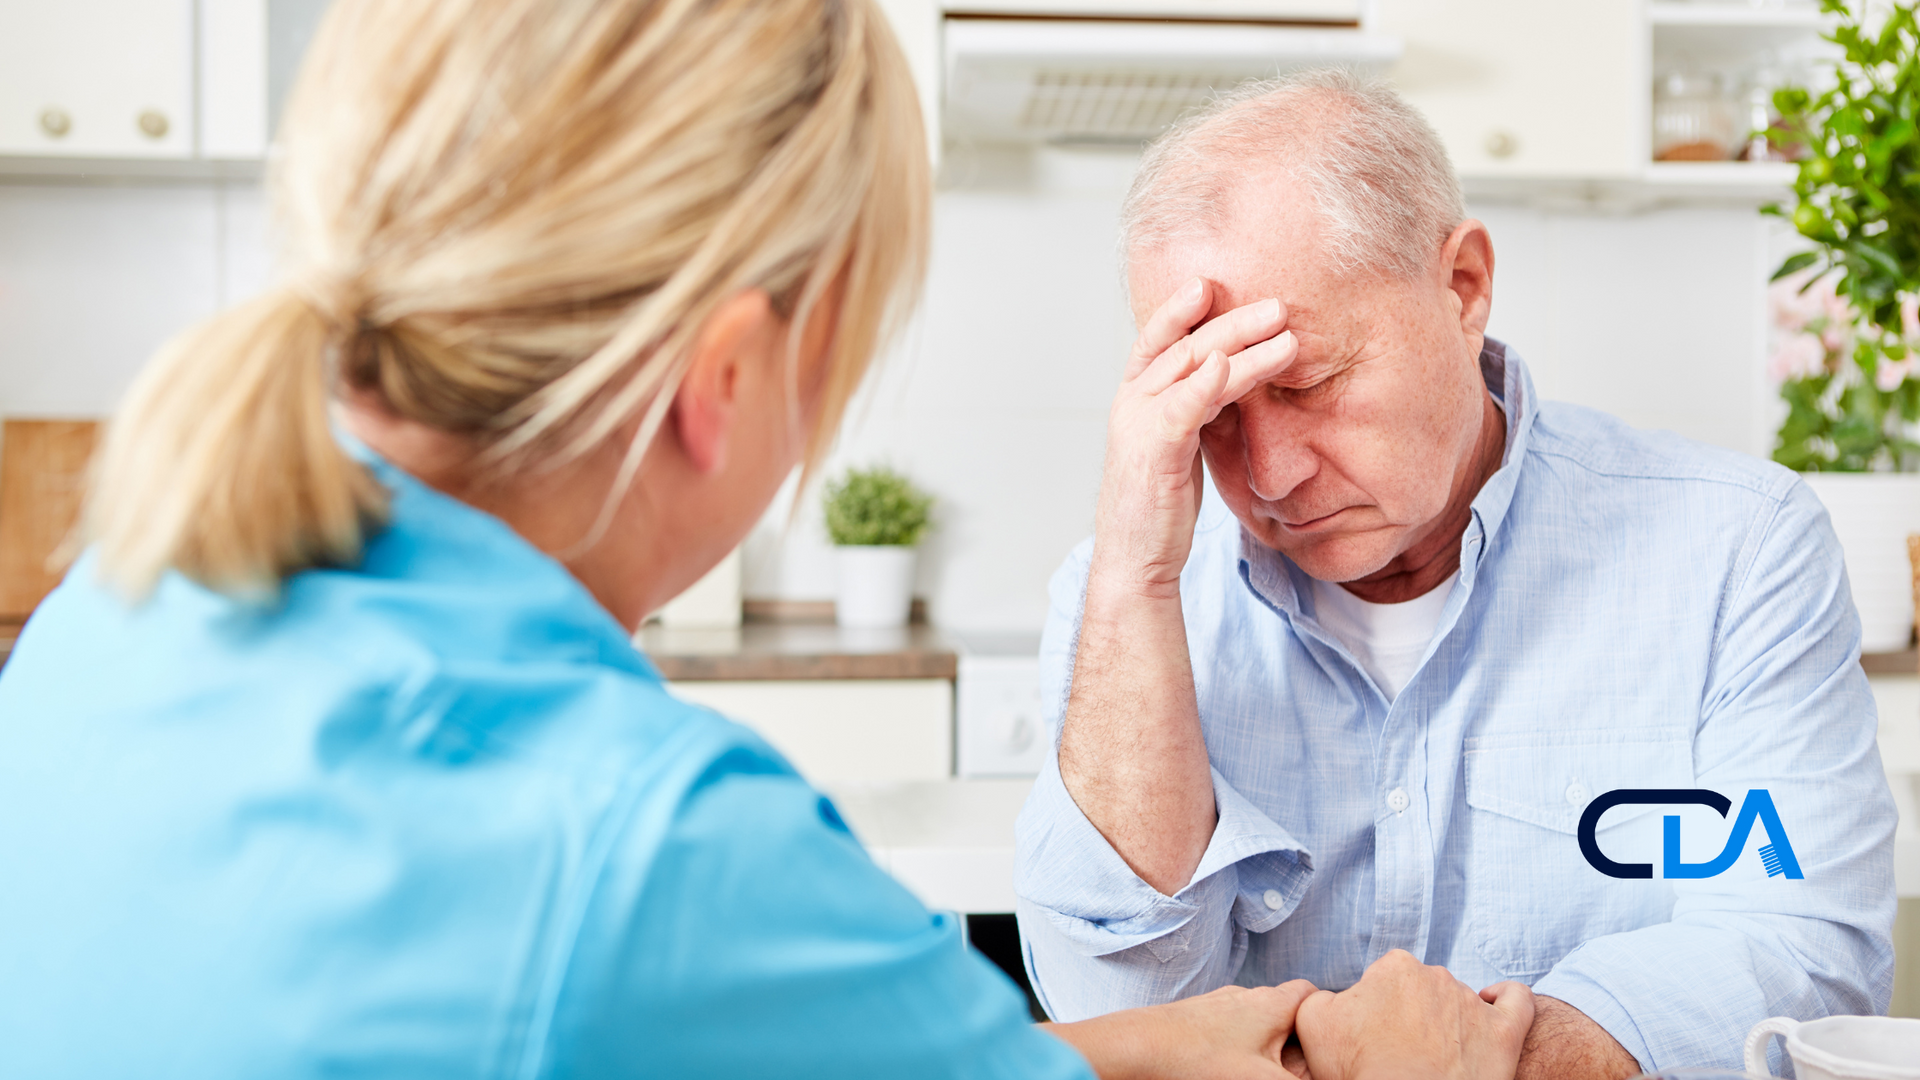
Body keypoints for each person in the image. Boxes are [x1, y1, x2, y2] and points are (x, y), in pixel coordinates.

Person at [0, 2, 1360, 1076]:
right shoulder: (656, 850)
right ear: (719, 385)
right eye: (836, 356)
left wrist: (1115, 1056)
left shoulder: (106, 618)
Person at [1013, 69, 1898, 1079]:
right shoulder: (1124, 604)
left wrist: (1460, 1061)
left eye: (1307, 382)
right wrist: (1133, 581)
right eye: (1214, 412)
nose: (1270, 472)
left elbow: (1800, 957)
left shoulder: (1738, 551)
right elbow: (1116, 1007)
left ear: (1463, 287)